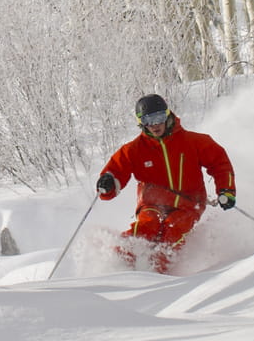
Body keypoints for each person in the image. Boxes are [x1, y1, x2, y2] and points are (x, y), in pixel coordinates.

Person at [95, 94, 237, 273]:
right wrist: (108, 182)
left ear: (168, 115)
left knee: (172, 232)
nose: (154, 124)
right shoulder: (135, 150)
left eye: (159, 117)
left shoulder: (193, 142)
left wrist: (226, 191)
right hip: (152, 205)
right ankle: (118, 268)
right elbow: (115, 171)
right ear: (141, 122)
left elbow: (220, 163)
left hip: (188, 205)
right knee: (146, 229)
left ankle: (158, 276)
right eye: (148, 120)